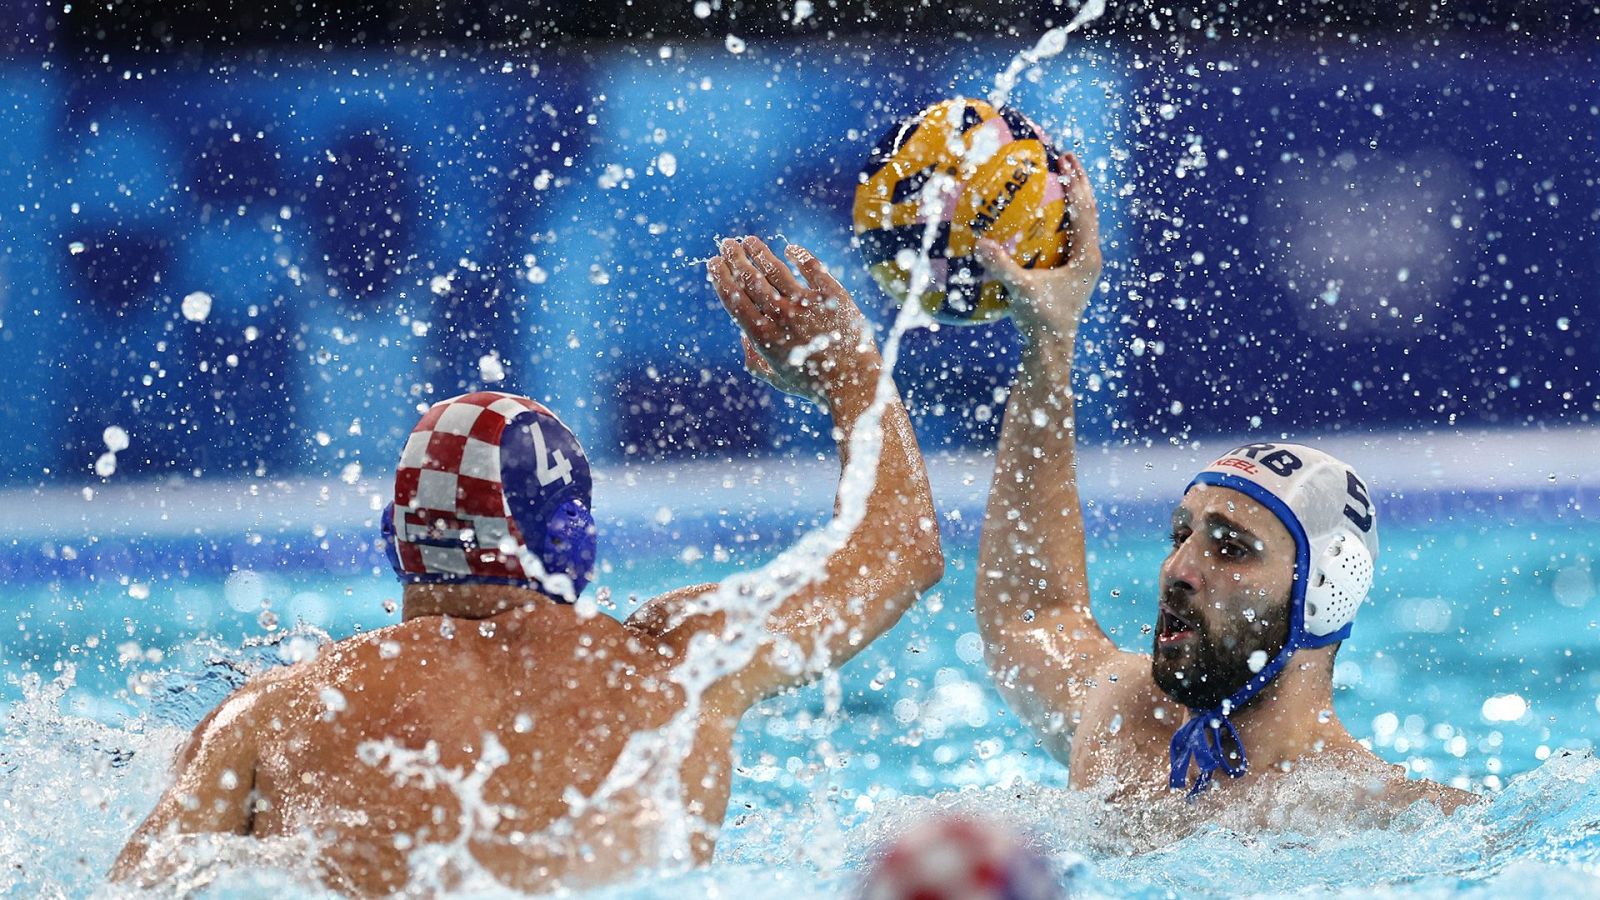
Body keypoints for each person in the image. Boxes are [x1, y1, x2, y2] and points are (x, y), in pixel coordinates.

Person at [111, 236, 944, 894]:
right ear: (570, 539)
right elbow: (900, 549)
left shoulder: (276, 712)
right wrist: (850, 372)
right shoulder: (684, 665)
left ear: (398, 540)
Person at [972, 153, 1477, 818]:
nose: (1178, 570)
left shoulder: (1386, 817)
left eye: (1231, 548)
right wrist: (1050, 342)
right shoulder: (1124, 719)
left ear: (1324, 592)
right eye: (1180, 535)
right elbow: (1031, 616)